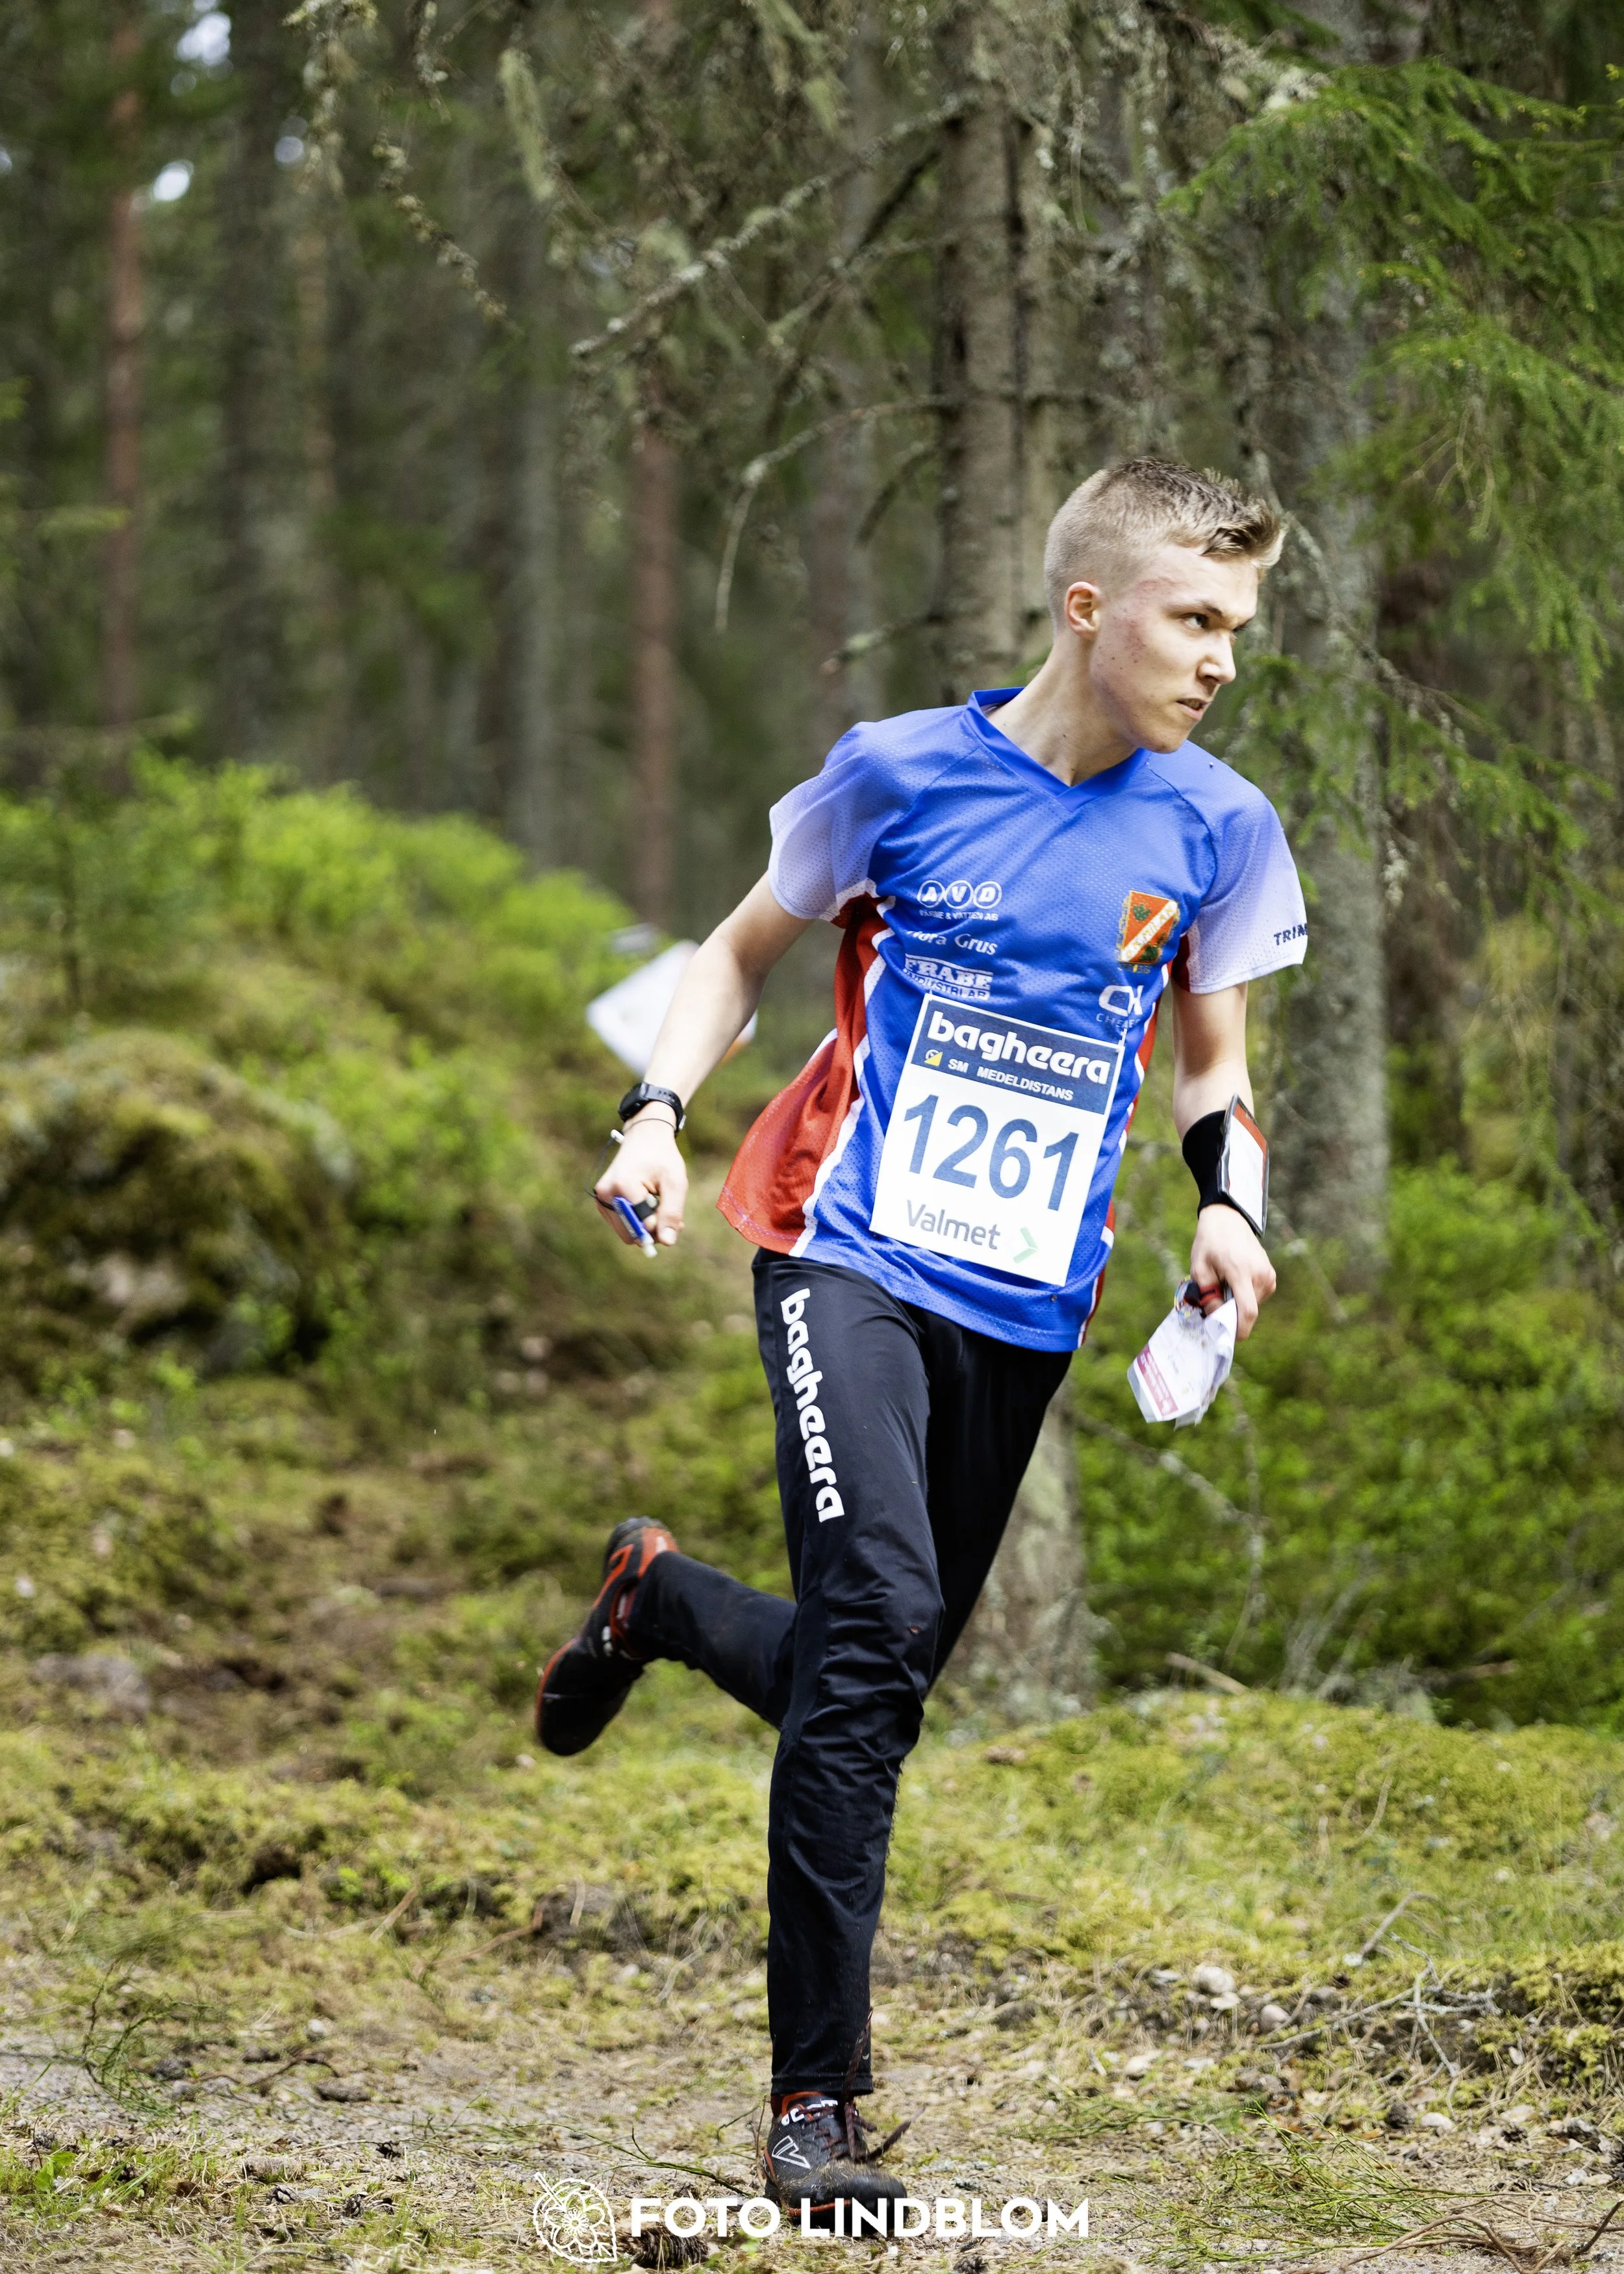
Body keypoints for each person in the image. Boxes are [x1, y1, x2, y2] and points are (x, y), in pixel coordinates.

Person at [538, 458, 1308, 2221]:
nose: (1220, 661)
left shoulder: (1218, 825)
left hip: (1023, 1298)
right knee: (877, 1622)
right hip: (841, 1242)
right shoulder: (894, 772)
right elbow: (736, 953)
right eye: (1194, 619)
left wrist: (1228, 1207)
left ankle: (655, 1598)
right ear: (1087, 605)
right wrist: (652, 1108)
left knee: (867, 1674)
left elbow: (1212, 1067)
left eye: (1239, 630)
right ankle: (815, 2104)